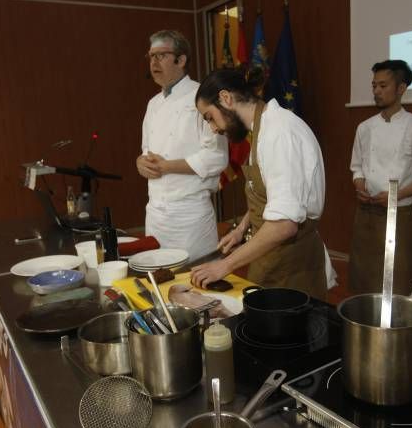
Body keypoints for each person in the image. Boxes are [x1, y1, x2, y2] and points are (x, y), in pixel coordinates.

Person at [190, 69, 328, 299]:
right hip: (271, 258)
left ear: (226, 98)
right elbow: (272, 197)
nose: (213, 129)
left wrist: (224, 266)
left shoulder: (279, 132)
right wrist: (242, 229)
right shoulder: (263, 129)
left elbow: (284, 224)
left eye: (210, 117)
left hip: (290, 268)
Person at [348, 60, 412, 295]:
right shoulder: (365, 127)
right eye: (374, 86)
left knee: (396, 280)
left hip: (398, 216)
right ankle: (364, 327)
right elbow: (357, 167)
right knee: (362, 279)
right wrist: (360, 185)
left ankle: (394, 329)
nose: (377, 91)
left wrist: (394, 196)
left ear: (401, 88)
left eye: (383, 85)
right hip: (365, 213)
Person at [137, 30, 228, 261]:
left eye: (161, 55)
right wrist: (140, 162)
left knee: (196, 285)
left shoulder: (203, 96)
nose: (153, 62)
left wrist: (167, 166)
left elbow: (216, 157)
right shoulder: (153, 103)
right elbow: (146, 151)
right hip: (156, 216)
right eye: (151, 56)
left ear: (182, 59)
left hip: (190, 217)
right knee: (159, 282)